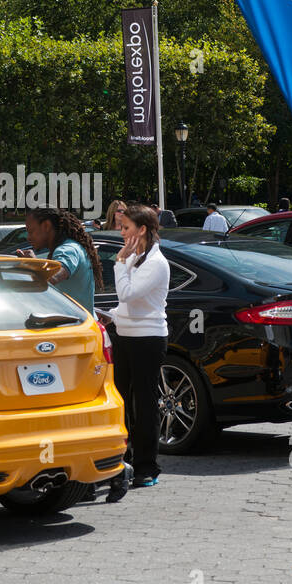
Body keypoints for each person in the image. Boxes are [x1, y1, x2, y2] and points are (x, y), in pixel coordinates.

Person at [104, 205, 171, 498]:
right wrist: (113, 315)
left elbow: (128, 293)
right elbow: (127, 304)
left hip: (148, 339)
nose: (122, 233)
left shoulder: (156, 262)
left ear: (142, 230)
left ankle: (147, 467)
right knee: (121, 398)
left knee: (144, 403)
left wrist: (119, 263)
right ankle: (124, 459)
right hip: (126, 334)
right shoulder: (136, 257)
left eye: (126, 228)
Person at [17, 208, 103, 315]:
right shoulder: (72, 246)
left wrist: (33, 265)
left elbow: (52, 278)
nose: (28, 238)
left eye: (31, 231)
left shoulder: (66, 250)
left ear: (46, 226)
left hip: (74, 328)